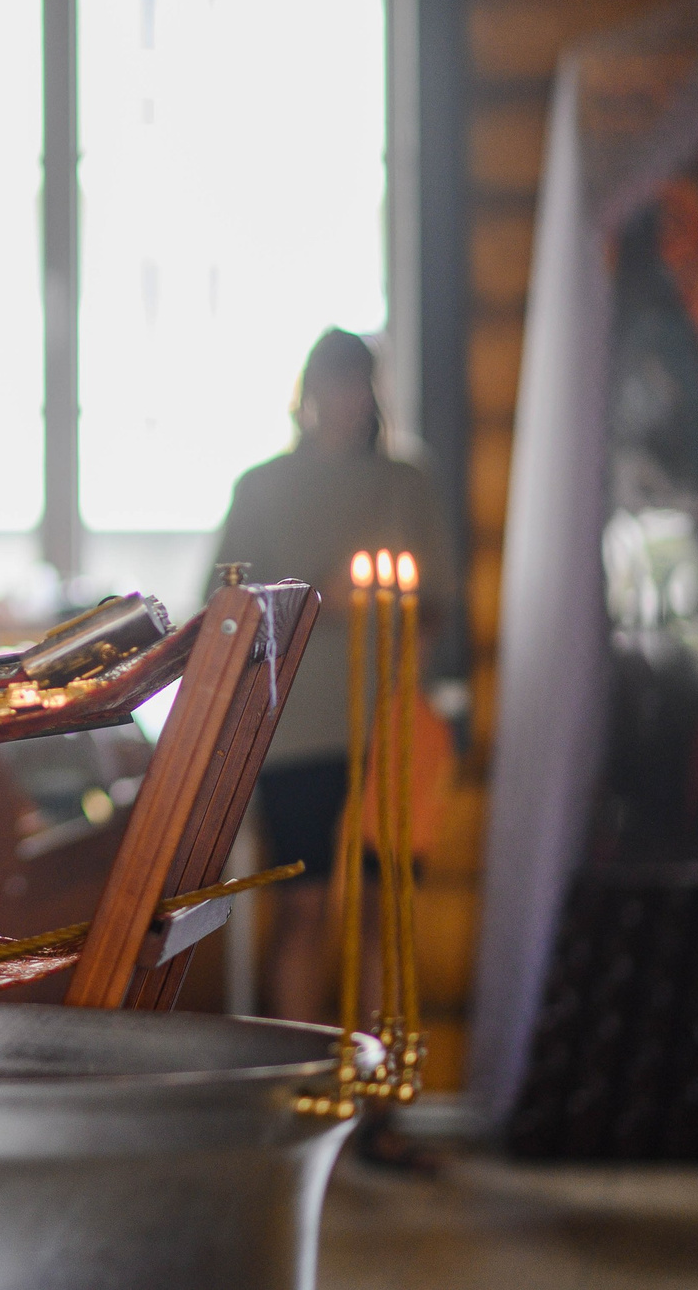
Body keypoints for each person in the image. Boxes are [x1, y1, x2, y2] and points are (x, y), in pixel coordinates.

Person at [209, 330, 442, 1039]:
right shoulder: (262, 487)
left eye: (357, 382)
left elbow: (439, 604)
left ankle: (378, 1101)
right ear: (308, 392)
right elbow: (226, 604)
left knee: (381, 910)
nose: (345, 398)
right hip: (296, 728)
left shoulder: (407, 484)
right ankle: (300, 1087)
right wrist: (318, 599)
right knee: (304, 906)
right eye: (333, 382)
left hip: (388, 723)